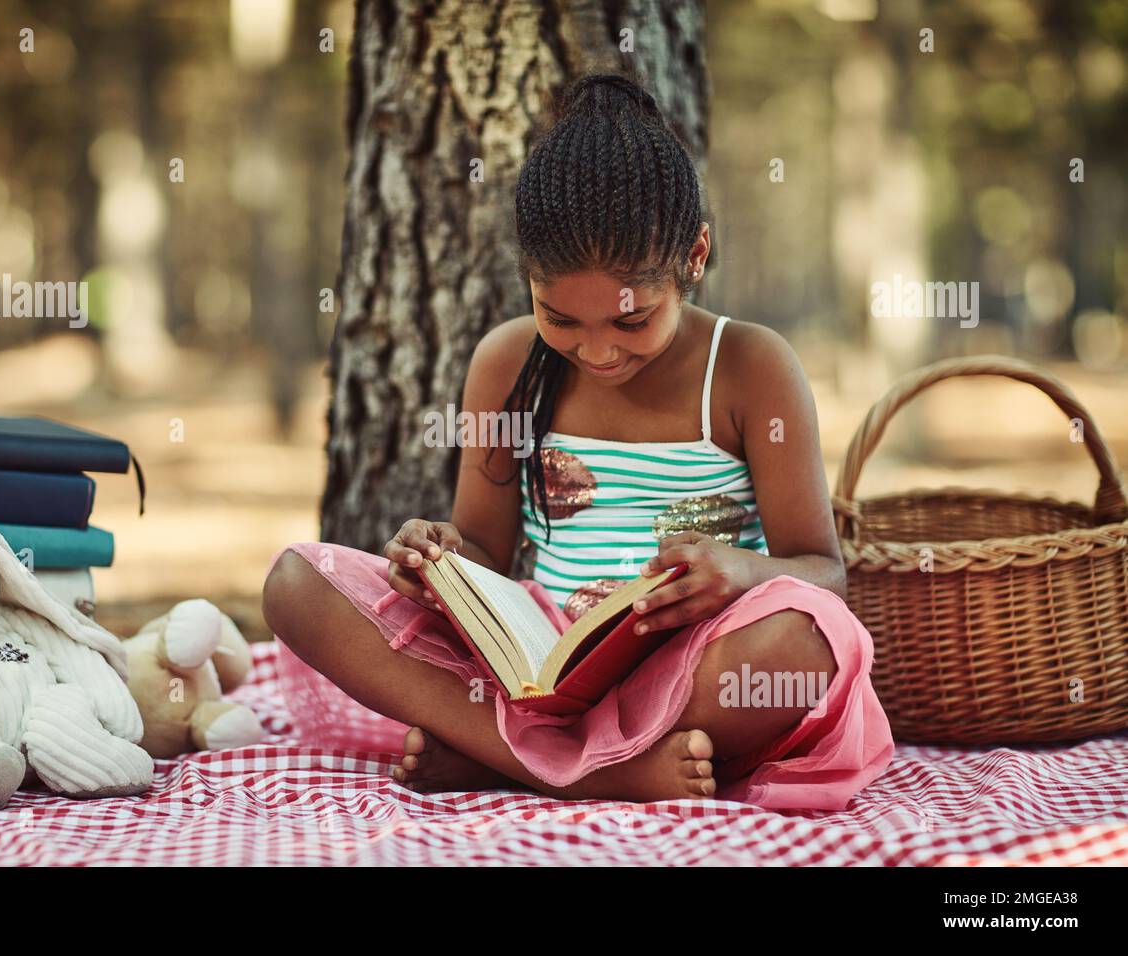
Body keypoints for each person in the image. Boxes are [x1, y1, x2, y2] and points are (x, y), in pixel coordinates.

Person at [263, 72, 894, 809]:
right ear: (528, 278)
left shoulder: (751, 369)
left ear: (694, 257)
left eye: (632, 321)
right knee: (296, 585)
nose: (597, 352)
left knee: (808, 641)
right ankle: (601, 770)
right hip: (534, 670)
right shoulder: (506, 364)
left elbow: (824, 572)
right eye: (559, 318)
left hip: (689, 668)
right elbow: (486, 553)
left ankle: (509, 761)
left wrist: (740, 574)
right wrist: (437, 561)